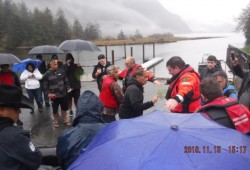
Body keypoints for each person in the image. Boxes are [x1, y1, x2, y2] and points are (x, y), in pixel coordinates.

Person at [57, 90, 107, 170]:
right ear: (99, 109)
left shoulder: (65, 136)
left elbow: (61, 161)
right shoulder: (111, 131)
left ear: (79, 110)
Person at [0, 84, 42, 169]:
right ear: (1, 110)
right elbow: (35, 160)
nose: (19, 111)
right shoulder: (15, 136)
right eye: (16, 108)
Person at [43, 58, 71, 128]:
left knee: (64, 108)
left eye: (57, 64)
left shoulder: (62, 71)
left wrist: (68, 87)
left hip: (63, 94)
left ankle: (65, 119)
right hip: (54, 95)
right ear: (50, 64)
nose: (56, 65)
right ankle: (55, 120)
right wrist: (48, 93)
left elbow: (66, 81)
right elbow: (45, 86)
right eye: (54, 64)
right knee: (55, 109)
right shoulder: (47, 74)